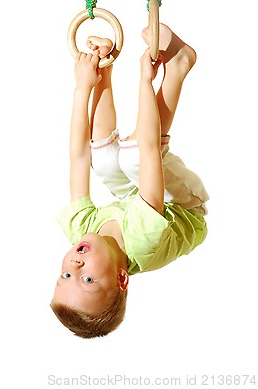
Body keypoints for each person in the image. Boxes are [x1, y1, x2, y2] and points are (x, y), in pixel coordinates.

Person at [50, 25, 209, 337]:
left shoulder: (79, 231)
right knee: (135, 157)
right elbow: (150, 149)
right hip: (184, 208)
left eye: (65, 274)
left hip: (134, 201)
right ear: (122, 279)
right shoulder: (143, 241)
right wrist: (146, 81)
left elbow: (78, 156)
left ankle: (107, 63)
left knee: (105, 161)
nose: (76, 267)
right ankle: (178, 67)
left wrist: (86, 84)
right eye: (87, 281)